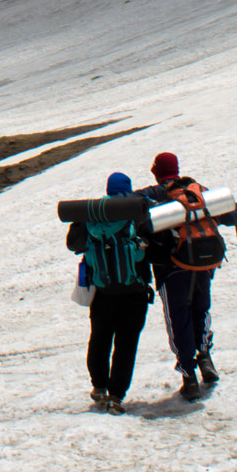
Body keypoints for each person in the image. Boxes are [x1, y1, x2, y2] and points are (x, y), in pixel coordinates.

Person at [66, 171, 154, 415]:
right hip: (134, 291)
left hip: (103, 292)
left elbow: (73, 244)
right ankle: (116, 395)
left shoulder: (92, 215)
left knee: (100, 339)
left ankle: (98, 386)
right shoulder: (137, 213)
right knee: (126, 344)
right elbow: (153, 244)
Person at [141, 151, 220, 401]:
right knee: (201, 309)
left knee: (178, 319)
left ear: (157, 171)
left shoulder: (154, 194)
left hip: (171, 268)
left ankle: (189, 376)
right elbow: (228, 214)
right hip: (201, 264)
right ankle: (205, 358)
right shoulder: (197, 189)